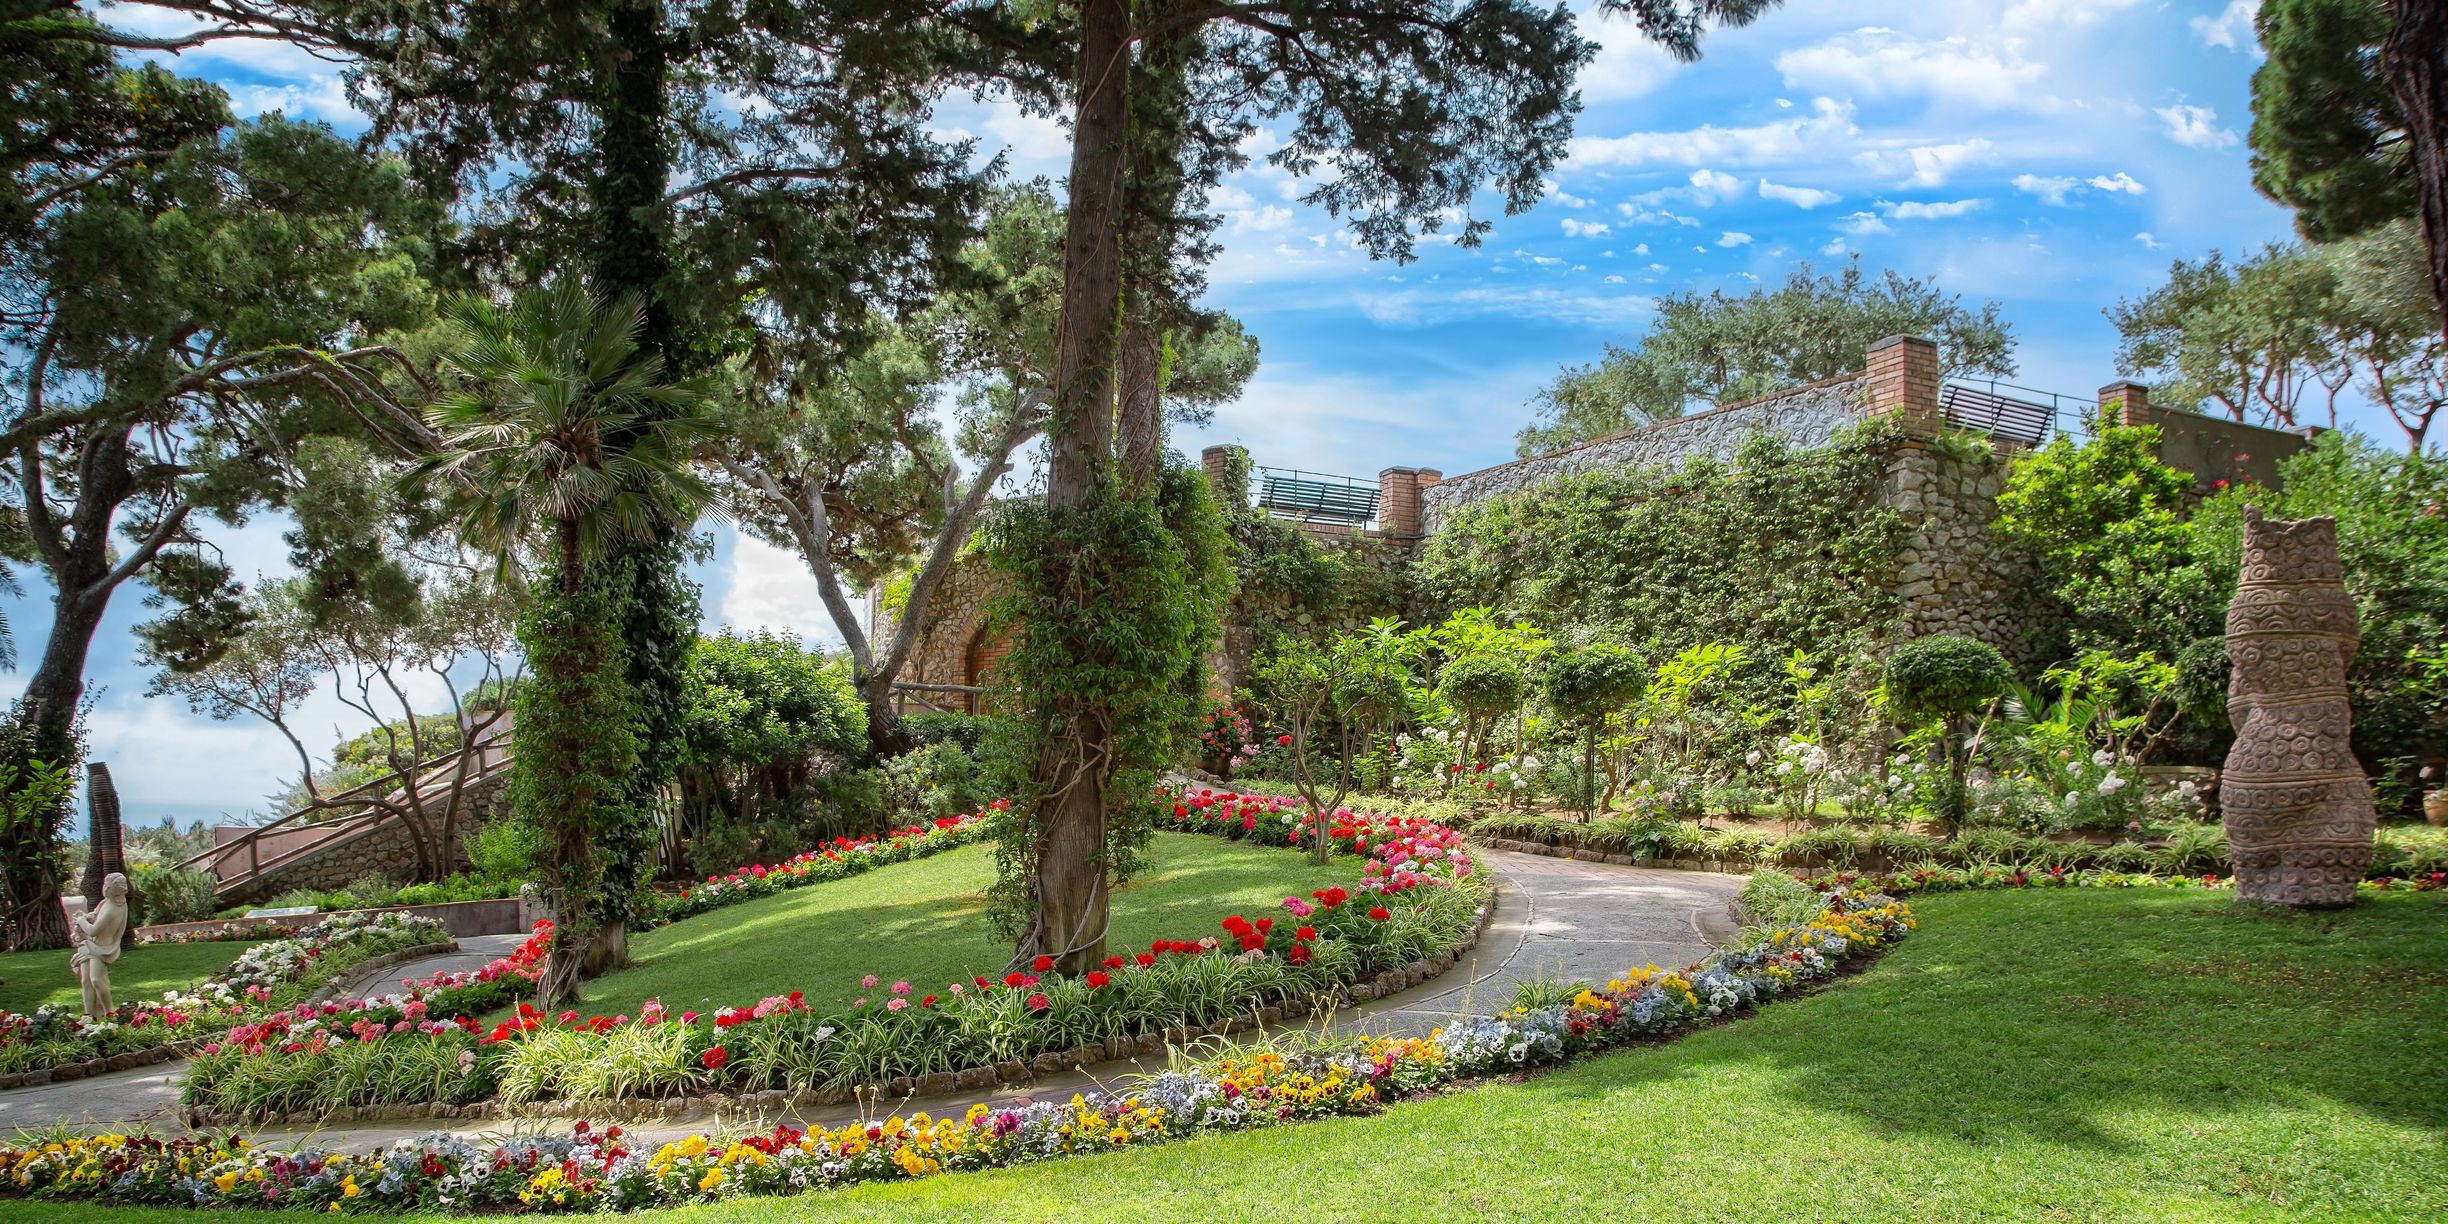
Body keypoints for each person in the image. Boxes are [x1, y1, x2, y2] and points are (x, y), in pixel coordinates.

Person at [69, 872, 129, 1018]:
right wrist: (88, 916)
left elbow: (93, 930)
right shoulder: (105, 902)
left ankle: (108, 1013)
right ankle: (88, 1016)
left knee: (96, 979)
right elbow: (95, 915)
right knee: (85, 980)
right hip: (89, 944)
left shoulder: (113, 908)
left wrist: (81, 921)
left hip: (101, 947)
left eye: (106, 885)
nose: (104, 888)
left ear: (112, 889)